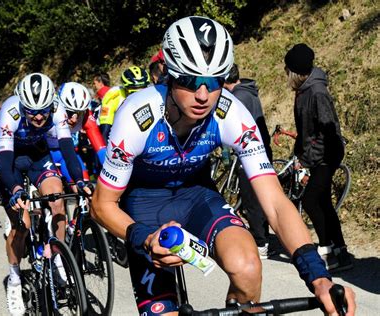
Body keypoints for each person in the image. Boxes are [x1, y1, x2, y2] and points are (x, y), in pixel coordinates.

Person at [91, 16, 355, 315]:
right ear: (169, 75)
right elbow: (101, 205)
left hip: (197, 197)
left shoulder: (231, 112)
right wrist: (143, 237)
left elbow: (276, 204)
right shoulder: (136, 116)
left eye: (214, 81)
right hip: (143, 204)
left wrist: (318, 277)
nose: (203, 95)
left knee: (248, 267)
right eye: (190, 81)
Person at [0, 73, 92, 316]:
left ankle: (59, 258)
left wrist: (79, 180)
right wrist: (15, 189)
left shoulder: (58, 110)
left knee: (57, 201)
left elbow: (68, 150)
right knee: (22, 224)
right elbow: (4, 161)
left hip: (39, 155)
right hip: (11, 160)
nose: (38, 116)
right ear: (22, 105)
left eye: (43, 110)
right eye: (31, 111)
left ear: (52, 104)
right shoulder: (11, 113)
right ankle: (15, 281)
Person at [284, 43, 353, 272]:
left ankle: (327, 250)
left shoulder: (317, 92)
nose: (285, 74)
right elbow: (306, 131)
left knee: (312, 200)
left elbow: (328, 130)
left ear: (295, 72)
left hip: (327, 154)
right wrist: (298, 155)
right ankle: (341, 252)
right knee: (322, 201)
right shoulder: (303, 91)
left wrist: (308, 158)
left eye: (287, 70)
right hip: (317, 154)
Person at [223, 64, 274, 259]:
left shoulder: (238, 97)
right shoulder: (249, 92)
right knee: (260, 197)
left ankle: (261, 243)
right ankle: (265, 239)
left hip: (250, 153)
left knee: (251, 199)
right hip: (262, 149)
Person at [47, 82, 107, 183]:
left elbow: (101, 150)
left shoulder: (86, 116)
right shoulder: (48, 112)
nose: (74, 119)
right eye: (69, 112)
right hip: (44, 154)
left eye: (79, 113)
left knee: (85, 187)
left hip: (68, 154)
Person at [99, 66, 150, 141]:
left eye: (143, 90)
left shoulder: (150, 94)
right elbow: (105, 132)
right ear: (126, 88)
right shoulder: (113, 96)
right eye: (134, 91)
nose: (139, 95)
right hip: (114, 131)